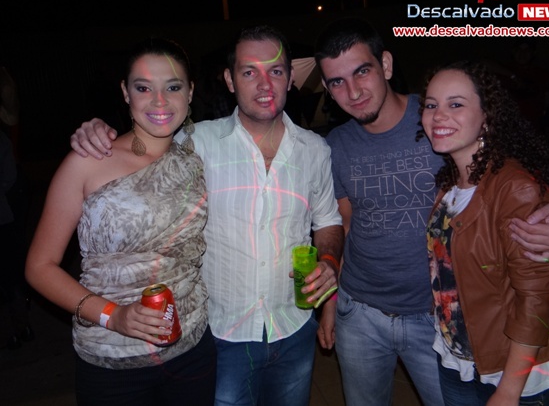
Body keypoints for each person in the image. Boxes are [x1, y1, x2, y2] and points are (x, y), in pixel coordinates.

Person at [69, 25, 344, 406]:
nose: (264, 84)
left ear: (290, 78)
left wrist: (328, 261)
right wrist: (96, 130)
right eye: (249, 72)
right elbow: (140, 142)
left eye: (276, 71)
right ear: (229, 80)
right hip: (222, 335)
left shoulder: (315, 150)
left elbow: (328, 221)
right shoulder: (194, 142)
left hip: (294, 328)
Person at [313, 17, 549, 406]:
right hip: (361, 312)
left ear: (386, 65)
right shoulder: (339, 144)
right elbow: (346, 224)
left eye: (362, 71)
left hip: (435, 317)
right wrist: (332, 305)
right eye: (337, 81)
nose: (353, 91)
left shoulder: (442, 119)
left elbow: (532, 183)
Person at [25, 37, 217, 405]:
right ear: (125, 93)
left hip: (192, 348)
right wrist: (113, 316)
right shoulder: (88, 161)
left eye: (173, 87)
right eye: (143, 88)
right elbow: (39, 267)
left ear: (190, 92)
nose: (159, 101)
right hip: (112, 360)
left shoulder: (197, 157)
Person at [420, 60, 549, 405]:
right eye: (431, 105)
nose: (439, 116)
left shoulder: (514, 189)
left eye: (456, 104)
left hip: (510, 374)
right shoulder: (451, 184)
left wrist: (509, 390)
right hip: (458, 360)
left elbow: (536, 299)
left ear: (487, 116)